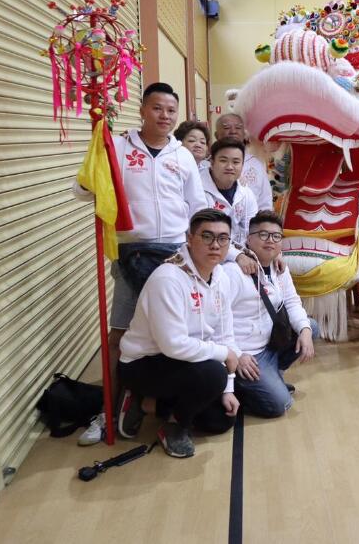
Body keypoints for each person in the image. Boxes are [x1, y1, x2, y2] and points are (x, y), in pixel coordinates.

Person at [72, 82, 221, 445]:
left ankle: (151, 401)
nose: (164, 116)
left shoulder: (182, 156)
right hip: (131, 253)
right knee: (121, 333)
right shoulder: (118, 146)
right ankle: (108, 411)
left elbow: (197, 209)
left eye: (171, 110)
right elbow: (81, 191)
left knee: (176, 331)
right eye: (157, 108)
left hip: (173, 255)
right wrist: (96, 169)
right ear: (142, 111)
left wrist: (210, 250)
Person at [116, 209, 243, 457]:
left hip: (186, 361)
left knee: (220, 420)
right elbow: (172, 344)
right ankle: (173, 426)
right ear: (189, 238)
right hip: (143, 364)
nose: (215, 245)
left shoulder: (221, 277)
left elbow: (225, 335)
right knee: (213, 375)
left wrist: (228, 388)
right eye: (207, 236)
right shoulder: (168, 278)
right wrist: (224, 356)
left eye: (223, 238)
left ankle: (146, 404)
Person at [227, 211, 317, 418]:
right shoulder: (233, 273)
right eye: (263, 235)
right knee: (279, 405)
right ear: (249, 239)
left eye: (276, 236)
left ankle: (272, 376)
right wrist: (237, 355)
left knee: (311, 327)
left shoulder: (279, 268)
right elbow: (217, 322)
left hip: (269, 343)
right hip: (247, 353)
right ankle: (241, 387)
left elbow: (292, 302)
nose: (270, 240)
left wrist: (305, 331)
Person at [202, 138, 260, 248]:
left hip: (238, 251)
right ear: (212, 162)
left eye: (236, 162)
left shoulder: (246, 193)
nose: (229, 167)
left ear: (242, 165)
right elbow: (201, 233)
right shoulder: (197, 189)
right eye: (223, 161)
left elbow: (252, 230)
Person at [212, 112, 274, 211]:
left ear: (244, 134)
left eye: (238, 128)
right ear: (216, 135)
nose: (233, 131)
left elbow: (265, 201)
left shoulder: (255, 164)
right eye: (227, 127)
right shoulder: (207, 164)